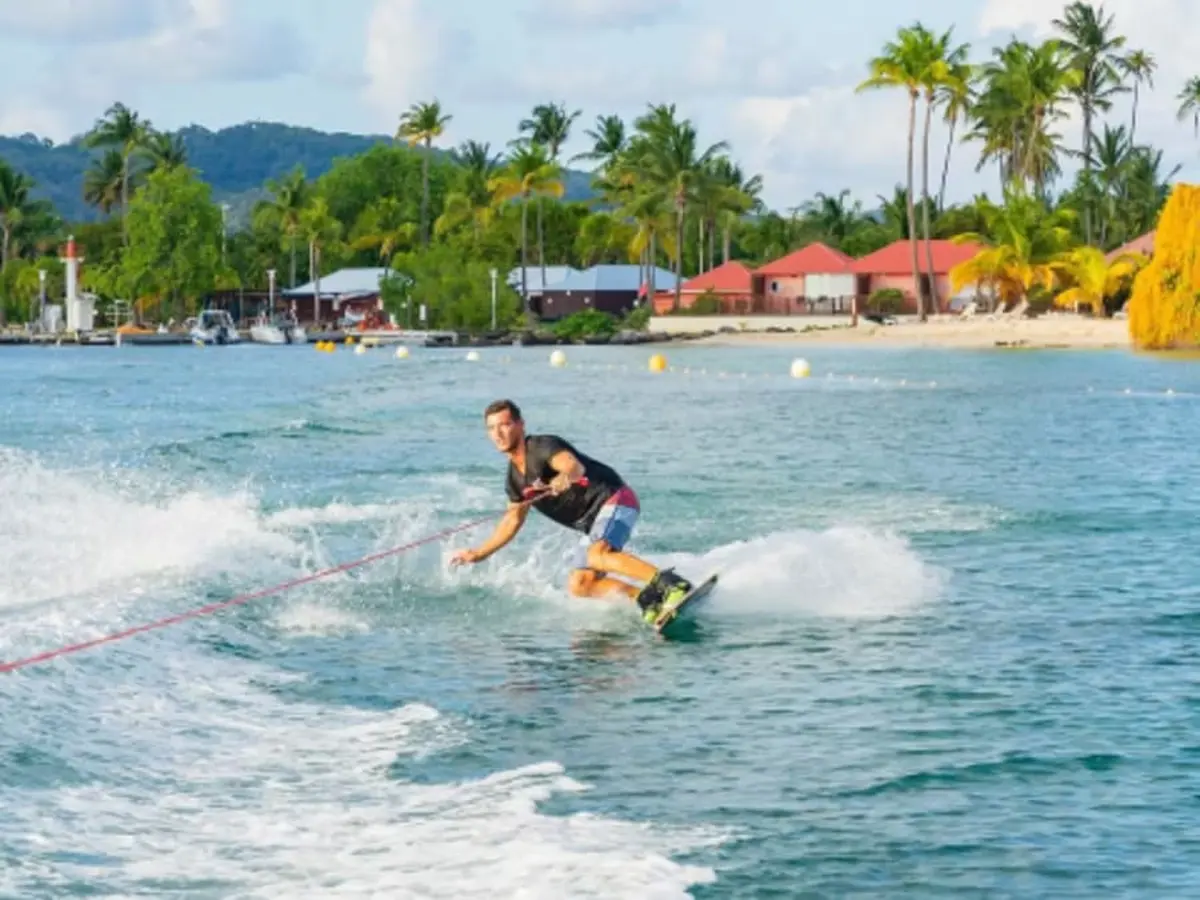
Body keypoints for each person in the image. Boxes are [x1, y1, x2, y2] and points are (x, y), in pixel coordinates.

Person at [449, 399, 693, 623]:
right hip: (592, 522)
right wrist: (479, 554)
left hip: (614, 499)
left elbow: (572, 466)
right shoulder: (514, 481)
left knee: (597, 554)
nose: (498, 434)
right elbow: (512, 520)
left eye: (504, 425)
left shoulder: (543, 447)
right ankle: (647, 600)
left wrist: (566, 476)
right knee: (581, 585)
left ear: (520, 425)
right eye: (491, 428)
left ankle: (672, 585)